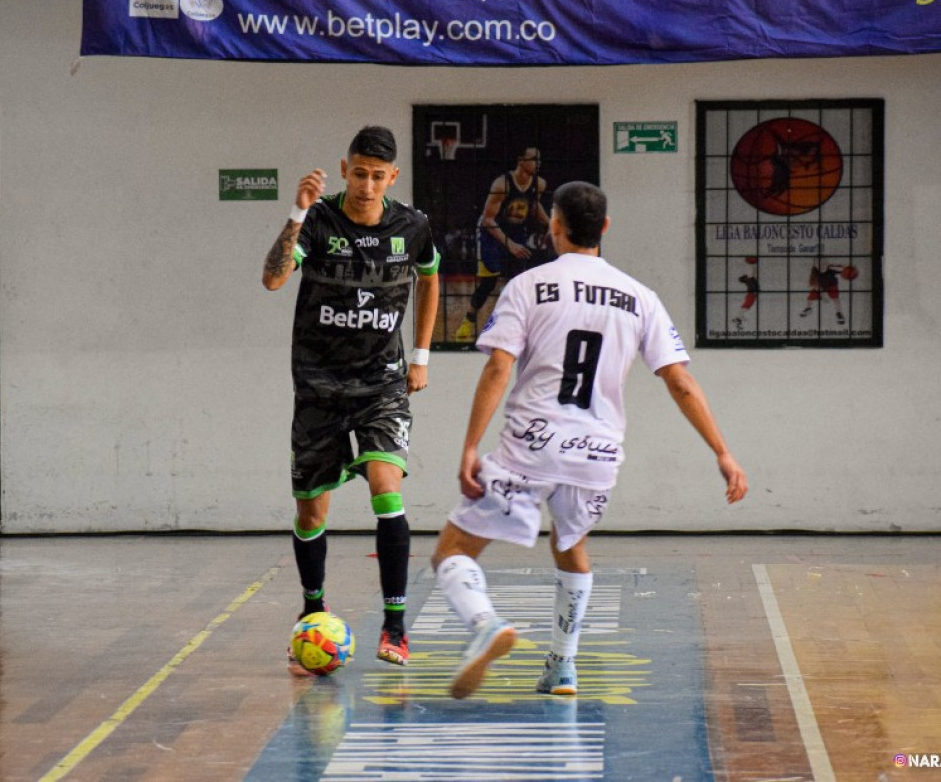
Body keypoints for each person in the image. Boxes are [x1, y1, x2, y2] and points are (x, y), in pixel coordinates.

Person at [431, 181, 748, 700]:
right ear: (604, 228)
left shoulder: (528, 286)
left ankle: (485, 624)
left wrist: (470, 446)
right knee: (570, 543)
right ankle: (562, 665)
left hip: (532, 444)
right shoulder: (640, 297)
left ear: (552, 225)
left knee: (451, 552)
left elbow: (498, 368)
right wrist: (723, 452)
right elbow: (680, 380)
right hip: (598, 453)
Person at [263, 125, 440, 674]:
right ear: (345, 170)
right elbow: (272, 280)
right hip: (318, 385)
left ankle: (395, 625)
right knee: (311, 508)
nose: (367, 185)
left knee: (387, 488)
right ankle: (313, 611)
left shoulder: (411, 226)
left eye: (377, 176)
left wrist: (421, 355)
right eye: (359, 173)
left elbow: (431, 278)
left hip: (382, 385)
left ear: (393, 177)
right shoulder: (318, 221)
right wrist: (296, 212)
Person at [455, 147, 551, 342]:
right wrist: (511, 245)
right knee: (489, 281)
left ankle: (517, 324)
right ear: (521, 160)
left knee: (519, 280)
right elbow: (488, 220)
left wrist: (549, 225)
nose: (537, 163)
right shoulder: (502, 184)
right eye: (533, 159)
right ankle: (469, 319)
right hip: (491, 231)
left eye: (539, 159)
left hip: (516, 230)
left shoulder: (539, 184)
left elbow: (533, 205)